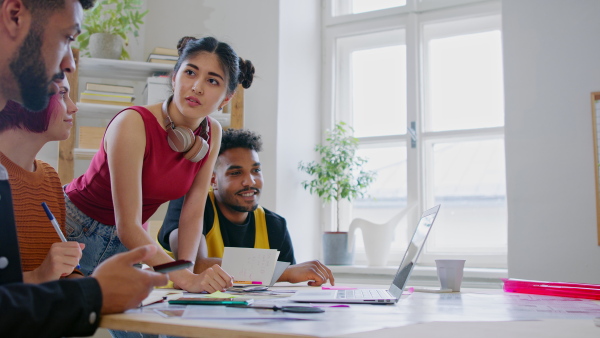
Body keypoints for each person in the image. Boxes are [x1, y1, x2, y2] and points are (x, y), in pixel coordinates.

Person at [0, 0, 168, 336]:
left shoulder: (39, 177)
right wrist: (94, 292)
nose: (68, 64)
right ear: (14, 14)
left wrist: (87, 286)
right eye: (67, 37)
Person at [63, 36, 256, 293]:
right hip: (75, 229)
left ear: (226, 98)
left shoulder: (213, 132)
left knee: (150, 331)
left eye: (212, 81)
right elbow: (127, 226)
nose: (197, 87)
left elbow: (193, 209)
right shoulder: (132, 123)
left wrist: (185, 272)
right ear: (174, 77)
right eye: (190, 72)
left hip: (131, 243)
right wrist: (183, 277)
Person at [159, 129, 335, 286]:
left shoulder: (275, 224)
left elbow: (286, 288)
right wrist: (285, 272)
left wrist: (289, 274)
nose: (250, 181)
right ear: (213, 180)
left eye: (256, 170)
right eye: (235, 173)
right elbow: (196, 266)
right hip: (175, 313)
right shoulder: (190, 205)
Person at [0, 77, 85, 284]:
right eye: (63, 95)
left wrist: (88, 285)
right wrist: (39, 276)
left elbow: (62, 270)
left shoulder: (49, 177)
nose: (74, 108)